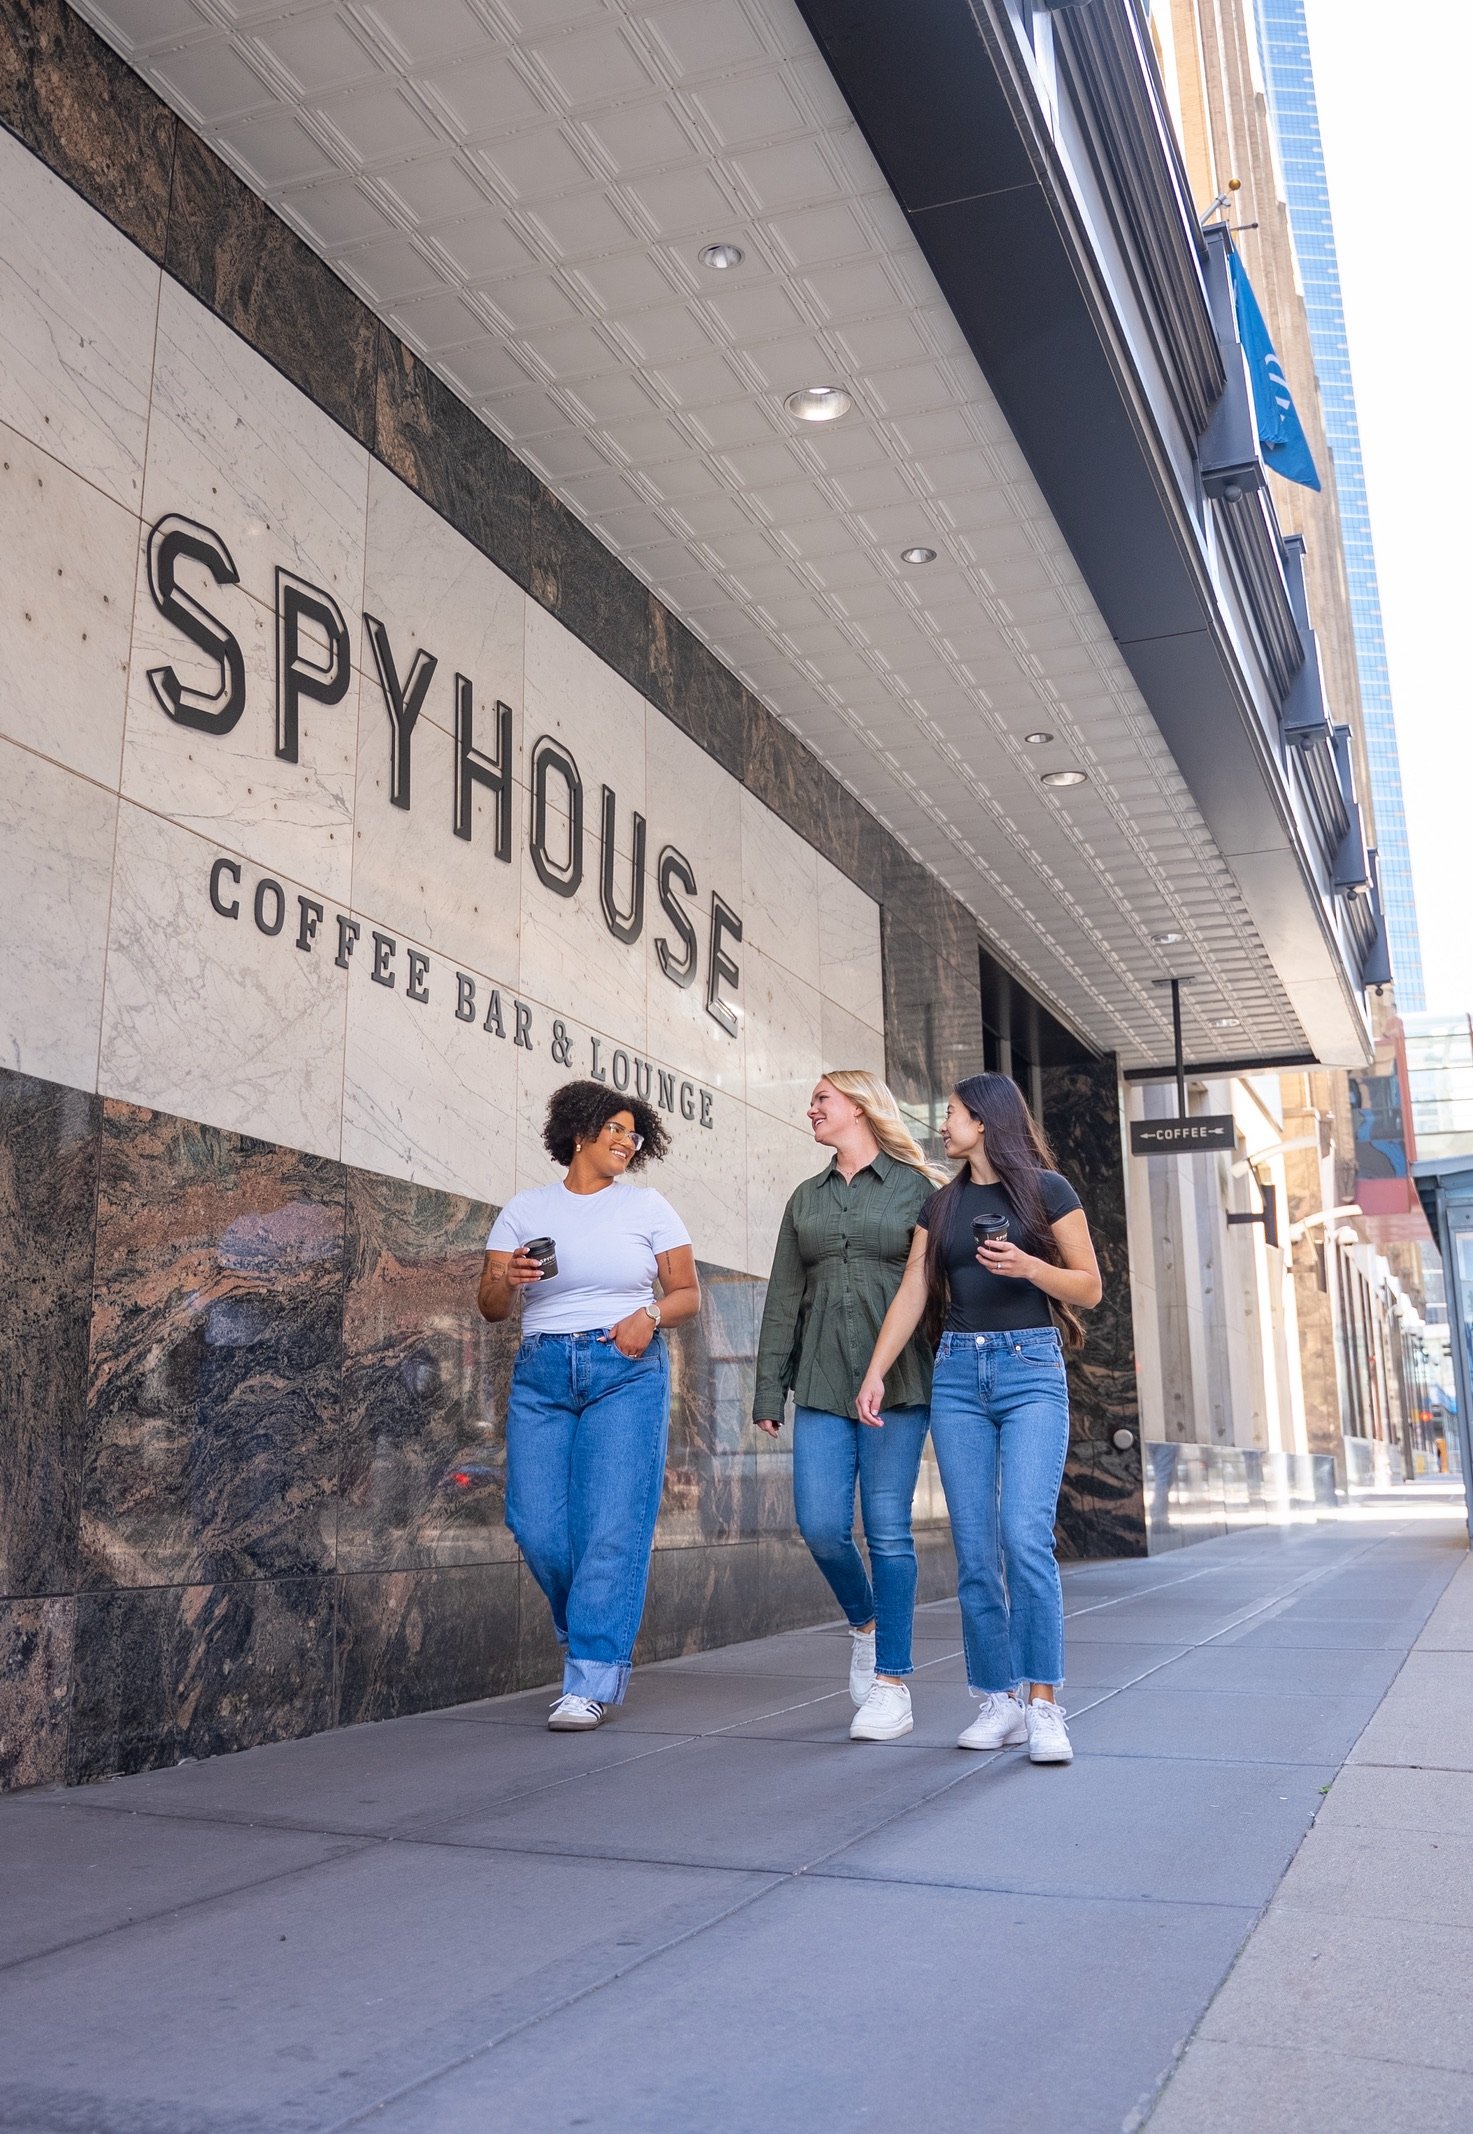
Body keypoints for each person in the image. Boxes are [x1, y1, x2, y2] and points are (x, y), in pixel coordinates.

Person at [857, 1073, 1101, 1764]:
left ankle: (1044, 1705)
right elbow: (912, 1290)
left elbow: (1087, 1285)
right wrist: (875, 1371)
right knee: (973, 1550)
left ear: (987, 1120)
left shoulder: (1047, 1192)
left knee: (1024, 1536)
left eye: (954, 1114)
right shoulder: (941, 1204)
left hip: (1030, 1372)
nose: (944, 1124)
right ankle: (996, 1700)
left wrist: (1028, 1267)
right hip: (958, 1374)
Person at [478, 1081, 700, 1732]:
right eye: (616, 1130)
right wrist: (506, 1277)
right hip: (542, 1372)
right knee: (535, 1524)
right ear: (579, 1131)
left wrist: (649, 1315)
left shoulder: (649, 1207)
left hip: (623, 1368)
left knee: (609, 1527)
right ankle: (590, 1636)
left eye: (635, 1135)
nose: (627, 1143)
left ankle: (589, 1677)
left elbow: (686, 1292)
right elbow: (489, 1306)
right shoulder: (524, 1208)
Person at [753, 1070, 946, 1743]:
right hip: (822, 1382)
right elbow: (782, 1298)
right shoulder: (805, 1200)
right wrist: (766, 1388)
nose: (809, 1110)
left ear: (858, 1109)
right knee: (821, 1525)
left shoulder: (917, 1190)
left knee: (887, 1530)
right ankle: (864, 1624)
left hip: (899, 1384)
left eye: (820, 1101)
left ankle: (892, 1680)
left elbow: (939, 1288)